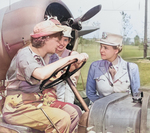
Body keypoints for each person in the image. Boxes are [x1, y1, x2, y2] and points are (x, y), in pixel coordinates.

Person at [2, 19, 88, 133]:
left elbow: (57, 74)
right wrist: (69, 58)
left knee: (74, 112)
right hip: (18, 108)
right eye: (57, 40)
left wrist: (73, 65)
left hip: (38, 102)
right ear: (45, 39)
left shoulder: (49, 56)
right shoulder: (24, 55)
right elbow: (41, 74)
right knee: (62, 119)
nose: (60, 44)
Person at [86, 32, 140, 103]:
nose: (101, 50)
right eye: (101, 46)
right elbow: (90, 93)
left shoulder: (131, 68)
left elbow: (137, 95)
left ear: (116, 50)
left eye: (105, 48)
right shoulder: (95, 67)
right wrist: (102, 106)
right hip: (102, 111)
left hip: (125, 110)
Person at [45, 25, 80, 104]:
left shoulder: (72, 56)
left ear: (69, 41)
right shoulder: (46, 55)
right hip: (47, 95)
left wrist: (68, 104)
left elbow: (71, 83)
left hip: (64, 95)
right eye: (59, 39)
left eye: (65, 40)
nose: (61, 43)